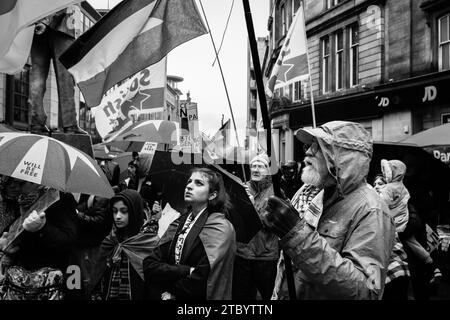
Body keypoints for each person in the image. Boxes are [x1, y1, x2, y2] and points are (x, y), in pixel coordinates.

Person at [262, 121, 395, 299]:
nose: (308, 151)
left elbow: (366, 291)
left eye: (318, 147)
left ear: (342, 157)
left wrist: (297, 235)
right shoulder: (321, 196)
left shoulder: (372, 210)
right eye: (309, 145)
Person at [143, 167, 236, 300]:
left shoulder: (220, 228)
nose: (189, 186)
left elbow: (203, 277)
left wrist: (172, 290)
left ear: (212, 194)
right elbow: (149, 265)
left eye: (199, 183)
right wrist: (185, 270)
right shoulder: (179, 221)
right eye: (189, 181)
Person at [91, 189, 159, 300]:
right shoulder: (112, 239)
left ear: (134, 211)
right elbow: (98, 273)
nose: (117, 216)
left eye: (124, 211)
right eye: (114, 211)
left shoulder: (148, 242)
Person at [28, 6, 86, 134]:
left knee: (37, 76)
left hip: (36, 21)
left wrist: (41, 20)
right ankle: (69, 124)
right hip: (63, 23)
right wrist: (46, 20)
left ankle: (36, 122)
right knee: (65, 76)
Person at [232, 154, 279, 300]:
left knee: (268, 295)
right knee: (241, 296)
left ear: (268, 170)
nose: (256, 169)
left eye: (261, 166)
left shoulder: (276, 192)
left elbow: (274, 223)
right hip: (242, 253)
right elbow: (232, 218)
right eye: (253, 166)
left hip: (266, 255)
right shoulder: (242, 189)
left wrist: (252, 208)